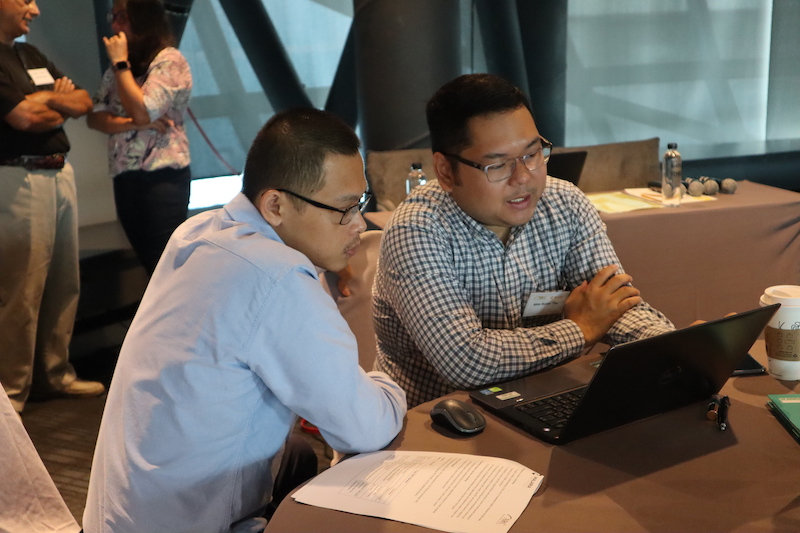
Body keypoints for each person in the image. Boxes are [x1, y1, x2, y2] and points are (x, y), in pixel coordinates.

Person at [83, 108, 407, 533]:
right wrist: (391, 382)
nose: (358, 224)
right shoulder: (277, 276)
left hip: (120, 512)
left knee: (297, 453)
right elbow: (363, 428)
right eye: (344, 209)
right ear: (275, 205)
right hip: (194, 523)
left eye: (360, 205)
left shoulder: (198, 232)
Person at [373, 73, 675, 408]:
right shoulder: (416, 230)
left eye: (532, 154)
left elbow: (617, 306)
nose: (523, 178)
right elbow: (465, 361)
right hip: (438, 420)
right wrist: (580, 329)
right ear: (445, 171)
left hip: (543, 402)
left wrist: (675, 353)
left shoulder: (565, 204)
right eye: (498, 165)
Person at [0, 0, 105, 412]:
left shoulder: (30, 53)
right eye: (25, 0)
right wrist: (54, 101)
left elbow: (83, 101)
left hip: (60, 173)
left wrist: (50, 103)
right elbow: (23, 118)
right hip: (19, 177)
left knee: (64, 282)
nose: (36, 9)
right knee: (21, 290)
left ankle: (55, 374)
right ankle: (12, 391)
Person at [87, 0, 191, 275]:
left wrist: (121, 64)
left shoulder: (169, 60)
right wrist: (131, 123)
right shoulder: (118, 70)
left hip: (161, 177)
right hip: (125, 176)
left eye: (121, 17)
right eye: (113, 17)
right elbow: (95, 117)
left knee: (166, 265)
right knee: (148, 261)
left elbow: (143, 110)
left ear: (143, 19)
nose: (114, 26)